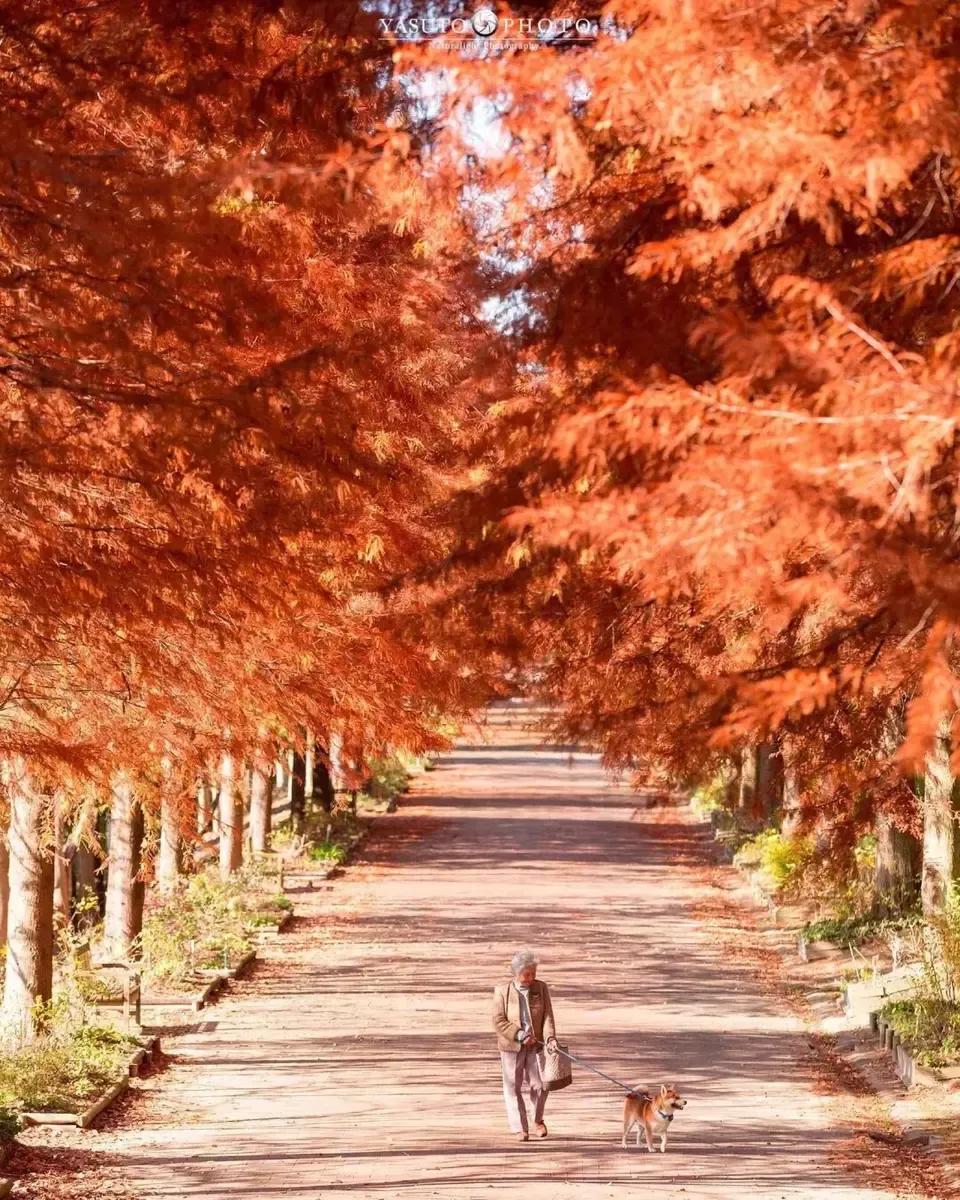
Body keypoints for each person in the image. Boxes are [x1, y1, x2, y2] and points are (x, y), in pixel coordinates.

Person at [492, 949, 559, 1142]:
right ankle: (520, 1128)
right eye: (527, 974)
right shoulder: (502, 992)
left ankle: (537, 1120)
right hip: (512, 1046)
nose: (531, 978)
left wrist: (550, 1038)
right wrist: (520, 1035)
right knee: (513, 1087)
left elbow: (547, 1016)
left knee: (540, 1085)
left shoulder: (541, 988)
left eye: (533, 974)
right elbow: (498, 1020)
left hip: (536, 1046)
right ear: (516, 972)